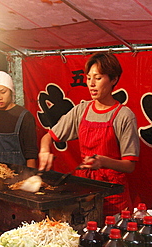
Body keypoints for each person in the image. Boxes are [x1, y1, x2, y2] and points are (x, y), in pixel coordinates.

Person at [38, 52, 140, 217]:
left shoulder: (124, 116)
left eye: (98, 78)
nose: (91, 84)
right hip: (84, 190)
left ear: (114, 80)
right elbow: (48, 136)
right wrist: (44, 150)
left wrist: (103, 161)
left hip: (113, 194)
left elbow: (130, 165)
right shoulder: (81, 110)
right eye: (88, 78)